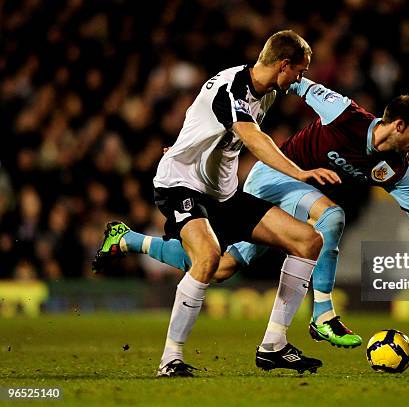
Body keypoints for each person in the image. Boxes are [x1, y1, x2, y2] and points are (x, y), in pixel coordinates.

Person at [96, 75, 409, 360]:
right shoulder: (344, 113)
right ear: (398, 125)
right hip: (274, 176)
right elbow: (293, 81)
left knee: (218, 265)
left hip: (298, 194)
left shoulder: (400, 170)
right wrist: (200, 145)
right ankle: (322, 314)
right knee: (331, 219)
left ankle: (129, 240)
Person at [95, 30, 343, 377]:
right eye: (299, 71)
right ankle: (171, 359)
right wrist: (298, 173)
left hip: (222, 193)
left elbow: (208, 127)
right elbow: (252, 137)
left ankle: (274, 345)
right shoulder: (231, 88)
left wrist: (185, 144)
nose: (300, 79)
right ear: (283, 65)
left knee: (307, 241)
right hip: (181, 185)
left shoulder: (266, 93)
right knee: (208, 257)